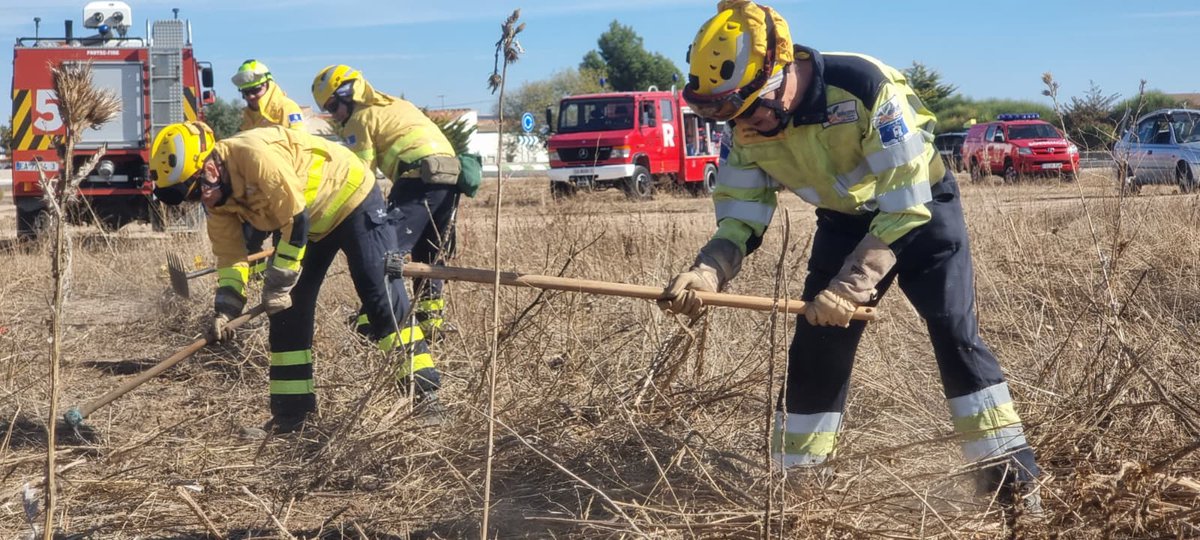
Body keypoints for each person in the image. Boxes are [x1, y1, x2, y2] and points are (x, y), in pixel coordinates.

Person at [659, 0, 1042, 511]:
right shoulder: (744, 126)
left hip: (921, 212)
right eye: (731, 114)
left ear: (782, 74)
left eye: (752, 108)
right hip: (843, 222)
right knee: (816, 348)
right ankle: (799, 494)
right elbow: (742, 217)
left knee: (954, 333)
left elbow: (906, 205)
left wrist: (850, 286)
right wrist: (708, 271)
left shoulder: (864, 86)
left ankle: (1013, 491)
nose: (746, 124)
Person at [148, 122, 445, 432]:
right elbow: (230, 256)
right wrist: (226, 307)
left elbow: (295, 219)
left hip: (351, 199)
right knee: (287, 311)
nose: (203, 201)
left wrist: (279, 280)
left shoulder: (254, 157)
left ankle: (426, 399)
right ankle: (292, 417)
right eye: (194, 199)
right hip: (311, 221)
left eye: (199, 191)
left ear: (209, 167)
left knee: (380, 295)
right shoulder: (218, 201)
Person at [312, 65, 460, 340]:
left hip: (417, 178)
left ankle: (377, 318)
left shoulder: (361, 118)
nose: (334, 115)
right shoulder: (395, 104)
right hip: (449, 176)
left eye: (333, 107)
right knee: (429, 255)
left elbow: (360, 175)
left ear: (348, 93)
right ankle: (431, 325)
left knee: (383, 251)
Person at [231, 59, 307, 266]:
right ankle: (253, 282)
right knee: (245, 240)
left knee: (283, 244)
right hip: (258, 193)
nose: (251, 96)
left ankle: (281, 286)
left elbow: (298, 148)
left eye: (255, 90)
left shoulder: (286, 108)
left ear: (268, 83)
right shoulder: (248, 118)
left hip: (285, 190)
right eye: (246, 93)